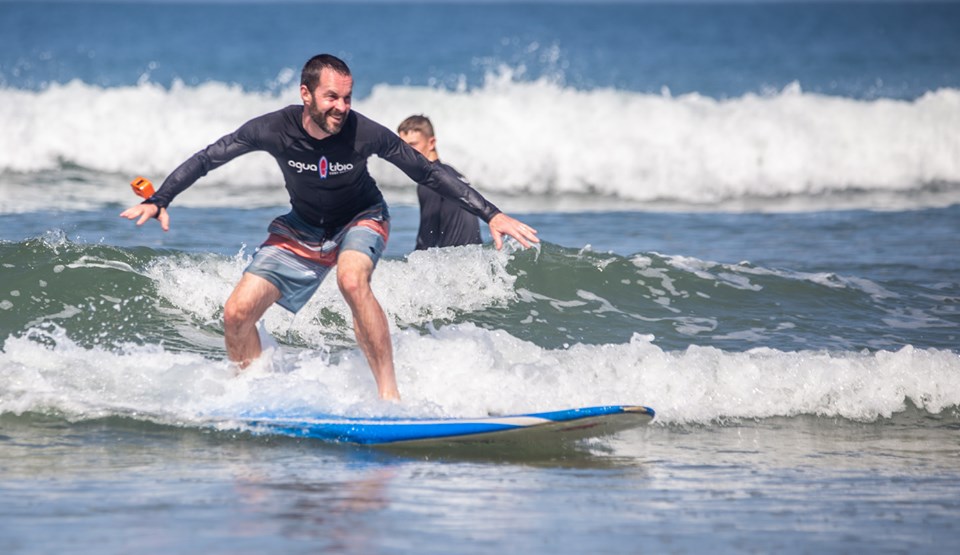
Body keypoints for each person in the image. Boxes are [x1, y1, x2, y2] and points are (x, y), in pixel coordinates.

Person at [121, 54, 538, 401]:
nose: (341, 106)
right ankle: (252, 393)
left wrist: (491, 213)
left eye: (348, 97)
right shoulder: (273, 128)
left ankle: (389, 399)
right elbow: (209, 157)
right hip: (301, 227)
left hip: (362, 217)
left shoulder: (364, 133)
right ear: (306, 94)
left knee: (352, 280)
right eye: (332, 97)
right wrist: (161, 199)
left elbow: (427, 173)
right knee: (236, 314)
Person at [397, 115, 482, 250]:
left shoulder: (430, 181)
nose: (406, 153)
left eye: (413, 145)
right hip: (476, 260)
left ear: (431, 143)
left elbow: (426, 240)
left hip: (455, 264)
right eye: (403, 146)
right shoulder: (452, 173)